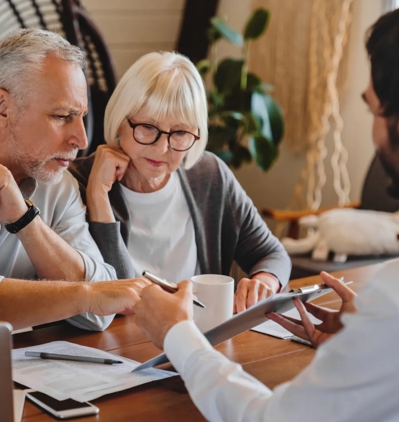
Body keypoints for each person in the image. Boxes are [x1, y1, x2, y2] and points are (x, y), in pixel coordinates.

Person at [133, 9, 399, 422]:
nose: (164, 145)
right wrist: (360, 348)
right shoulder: (87, 181)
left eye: (373, 111)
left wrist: (178, 336)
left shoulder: (392, 303)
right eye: (147, 127)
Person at [0, 29, 150, 331]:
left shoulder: (60, 186)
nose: (81, 139)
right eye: (61, 116)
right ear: (2, 108)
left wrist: (26, 222)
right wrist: (83, 295)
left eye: (80, 116)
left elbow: (100, 313)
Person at [70, 51, 291, 313]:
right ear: (120, 121)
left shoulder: (208, 175)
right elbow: (111, 296)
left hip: (197, 337)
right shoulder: (78, 181)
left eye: (180, 133)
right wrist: (98, 196)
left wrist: (264, 281)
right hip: (118, 344)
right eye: (148, 127)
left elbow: (272, 255)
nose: (162, 147)